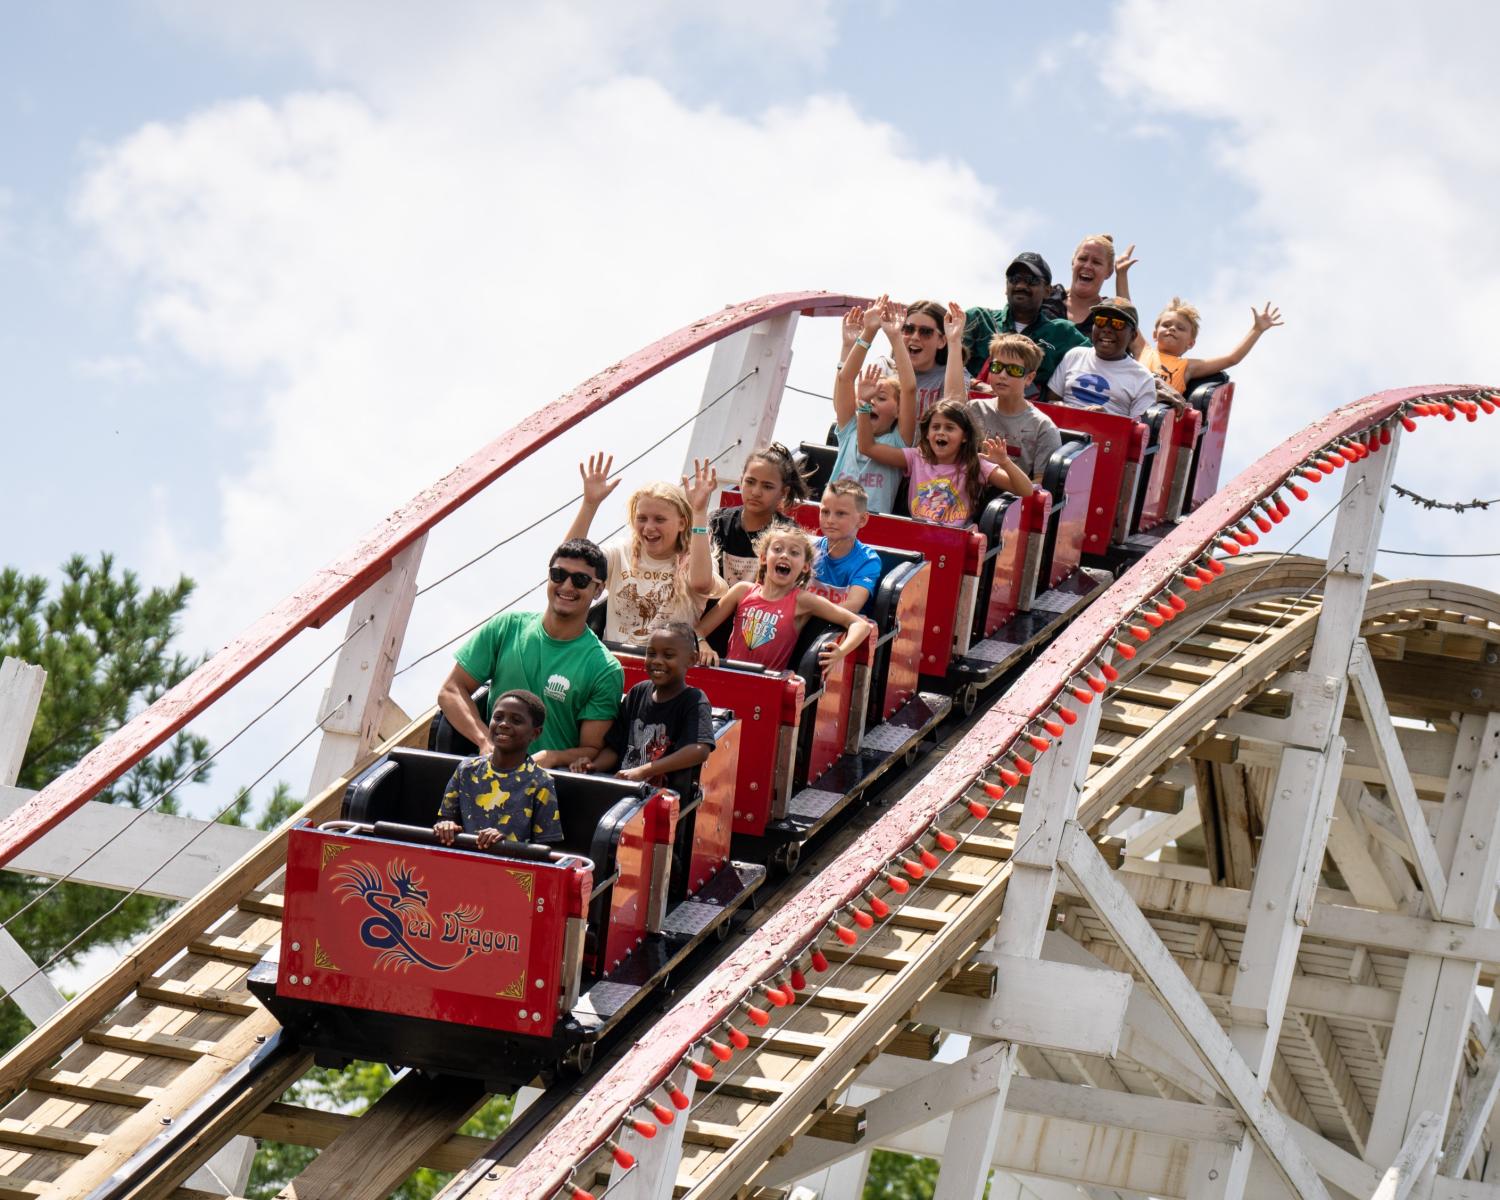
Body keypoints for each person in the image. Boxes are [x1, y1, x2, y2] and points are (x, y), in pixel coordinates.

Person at [437, 538, 624, 769]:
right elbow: (451, 690)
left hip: (548, 787)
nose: (566, 586)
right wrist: (485, 741)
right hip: (487, 775)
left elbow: (591, 749)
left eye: (580, 580)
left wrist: (551, 757)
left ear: (597, 589)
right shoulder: (506, 627)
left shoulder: (604, 668)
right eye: (558, 575)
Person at [565, 455, 722, 645]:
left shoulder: (693, 559)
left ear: (681, 523)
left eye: (659, 519)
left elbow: (701, 583)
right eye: (642, 518)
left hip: (666, 669)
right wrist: (589, 505)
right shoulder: (620, 552)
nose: (649, 527)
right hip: (615, 662)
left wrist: (698, 513)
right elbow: (569, 563)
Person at [696, 524, 871, 674]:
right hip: (729, 675)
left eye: (794, 552)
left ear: (805, 567)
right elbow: (697, 631)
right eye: (778, 549)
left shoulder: (803, 601)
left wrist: (840, 652)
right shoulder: (742, 591)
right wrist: (703, 644)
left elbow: (860, 625)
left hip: (769, 686)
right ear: (764, 558)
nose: (785, 555)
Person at [570, 623, 714, 785]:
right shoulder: (638, 693)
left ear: (692, 659)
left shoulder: (694, 700)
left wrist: (644, 771)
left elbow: (699, 750)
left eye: (668, 655)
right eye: (651, 653)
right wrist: (594, 766)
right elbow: (615, 748)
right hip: (625, 793)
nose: (657, 661)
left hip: (663, 801)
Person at [859, 397, 1032, 526]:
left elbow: (1026, 490)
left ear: (964, 436)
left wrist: (1005, 462)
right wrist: (865, 406)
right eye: (935, 427)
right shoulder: (916, 458)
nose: (941, 433)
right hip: (918, 533)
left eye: (950, 428)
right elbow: (867, 447)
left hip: (955, 539)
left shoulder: (975, 464)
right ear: (927, 434)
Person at [434, 689, 561, 849]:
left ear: (535, 733)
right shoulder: (466, 769)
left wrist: (504, 842)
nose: (504, 724)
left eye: (516, 721)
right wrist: (446, 826)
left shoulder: (541, 783)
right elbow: (446, 817)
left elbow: (545, 848)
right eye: (498, 717)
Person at [830, 297, 917, 514]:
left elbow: (909, 389)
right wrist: (867, 332)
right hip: (832, 520)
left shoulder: (899, 441)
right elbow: (845, 379)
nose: (871, 401)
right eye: (869, 396)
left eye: (881, 398)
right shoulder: (850, 429)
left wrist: (896, 337)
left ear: (898, 410)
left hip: (871, 527)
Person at [961, 253, 1088, 393]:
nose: (1021, 285)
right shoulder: (979, 319)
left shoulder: (1063, 333)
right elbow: (943, 365)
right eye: (1014, 279)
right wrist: (976, 384)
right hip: (971, 411)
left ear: (1047, 291)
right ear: (1006, 286)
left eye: (1031, 280)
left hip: (1032, 414)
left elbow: (1101, 360)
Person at [1134, 298, 1284, 395]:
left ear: (1190, 343)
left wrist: (1257, 330)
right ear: (1154, 334)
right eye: (1166, 325)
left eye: (1180, 328)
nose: (1172, 329)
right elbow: (1128, 317)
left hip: (1155, 412)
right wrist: (1121, 274)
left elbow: (1232, 359)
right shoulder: (1143, 350)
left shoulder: (1187, 366)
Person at [965, 334, 1062, 482]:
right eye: (997, 367)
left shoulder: (1043, 427)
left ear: (1029, 378)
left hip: (1009, 501)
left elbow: (1039, 484)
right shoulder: (974, 409)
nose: (1002, 375)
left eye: (1014, 370)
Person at [1046, 299, 1163, 421]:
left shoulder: (1143, 377)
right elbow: (1052, 400)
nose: (1106, 329)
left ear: (1133, 336)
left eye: (1118, 324)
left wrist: (1106, 419)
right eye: (1100, 321)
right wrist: (1063, 408)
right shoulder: (1074, 356)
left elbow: (1139, 430)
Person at [709, 443, 809, 585]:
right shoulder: (718, 522)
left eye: (767, 486)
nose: (756, 492)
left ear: (783, 492)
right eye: (750, 482)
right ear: (741, 481)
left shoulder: (789, 534)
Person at [809, 480, 883, 615]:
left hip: (841, 629)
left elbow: (853, 605)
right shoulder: (808, 549)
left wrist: (806, 611)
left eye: (840, 513)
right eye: (825, 512)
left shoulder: (868, 560)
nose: (830, 520)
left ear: (862, 520)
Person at [1060, 234, 1137, 327]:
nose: (1087, 266)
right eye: (1082, 259)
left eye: (1096, 262)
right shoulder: (1046, 298)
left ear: (1109, 272)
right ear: (1073, 263)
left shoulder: (1108, 315)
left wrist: (1121, 276)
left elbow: (1130, 334)